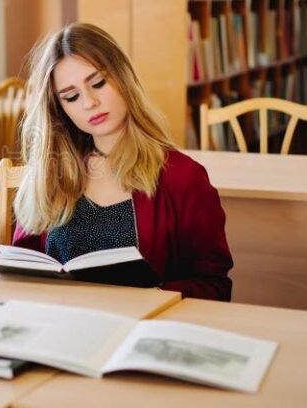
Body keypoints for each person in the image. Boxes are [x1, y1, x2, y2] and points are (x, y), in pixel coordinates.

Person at [12, 22, 233, 301]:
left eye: (98, 83)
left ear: (123, 78)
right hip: (63, 330)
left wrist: (149, 298)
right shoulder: (50, 175)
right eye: (71, 97)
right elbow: (21, 271)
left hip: (143, 332)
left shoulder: (183, 177)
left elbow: (214, 286)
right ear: (60, 109)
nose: (89, 102)